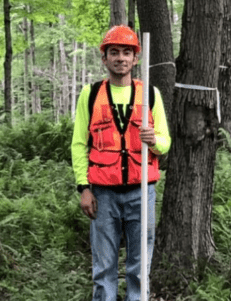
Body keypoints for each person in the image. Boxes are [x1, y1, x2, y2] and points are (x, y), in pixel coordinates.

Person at [71, 25, 171, 301]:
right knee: (104, 267)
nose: (121, 58)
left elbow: (165, 142)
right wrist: (84, 188)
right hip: (103, 194)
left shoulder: (150, 94)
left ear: (135, 59)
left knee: (140, 267)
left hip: (142, 192)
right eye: (114, 52)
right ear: (104, 59)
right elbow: (79, 144)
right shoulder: (90, 95)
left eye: (127, 52)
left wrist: (154, 140)